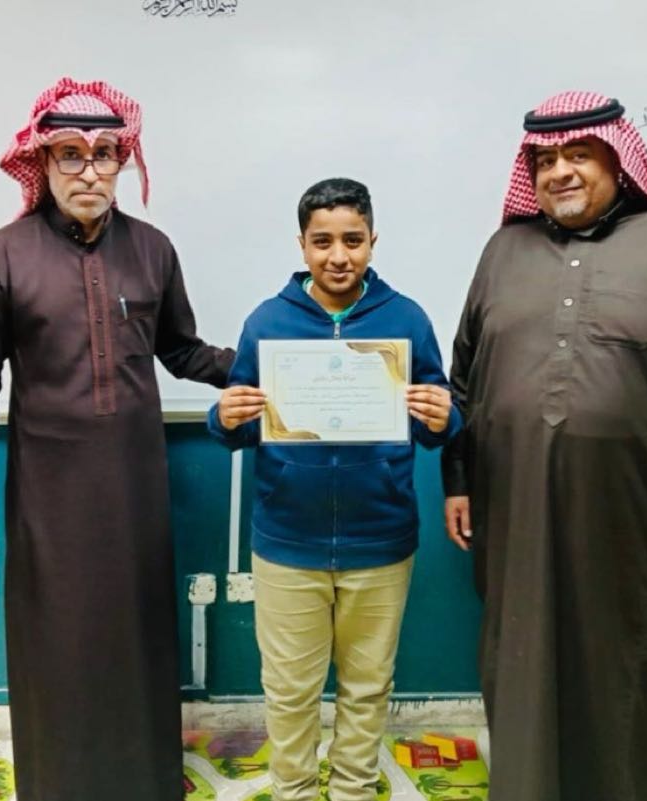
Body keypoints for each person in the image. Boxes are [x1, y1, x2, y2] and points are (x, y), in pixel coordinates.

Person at [441, 91, 647, 801]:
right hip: (520, 523)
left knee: (635, 676)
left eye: (578, 154)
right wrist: (458, 480)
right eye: (544, 160)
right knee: (524, 667)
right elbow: (464, 383)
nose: (559, 171)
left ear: (617, 158)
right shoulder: (503, 253)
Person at [0, 77, 234, 801]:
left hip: (136, 489)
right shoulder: (0, 256)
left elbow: (182, 349)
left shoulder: (153, 250)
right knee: (58, 644)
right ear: (42, 162)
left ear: (122, 161)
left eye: (104, 154)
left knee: (136, 639)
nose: (88, 172)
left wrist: (266, 367)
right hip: (49, 496)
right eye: (70, 154)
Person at [208, 178, 462, 801]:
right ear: (302, 245)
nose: (339, 256)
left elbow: (437, 420)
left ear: (373, 241)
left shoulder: (407, 319)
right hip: (286, 541)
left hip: (381, 539)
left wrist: (443, 415)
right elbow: (241, 424)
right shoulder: (267, 321)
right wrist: (225, 416)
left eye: (353, 240)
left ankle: (353, 788)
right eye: (322, 242)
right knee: (289, 690)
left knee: (368, 685)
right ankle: (293, 790)